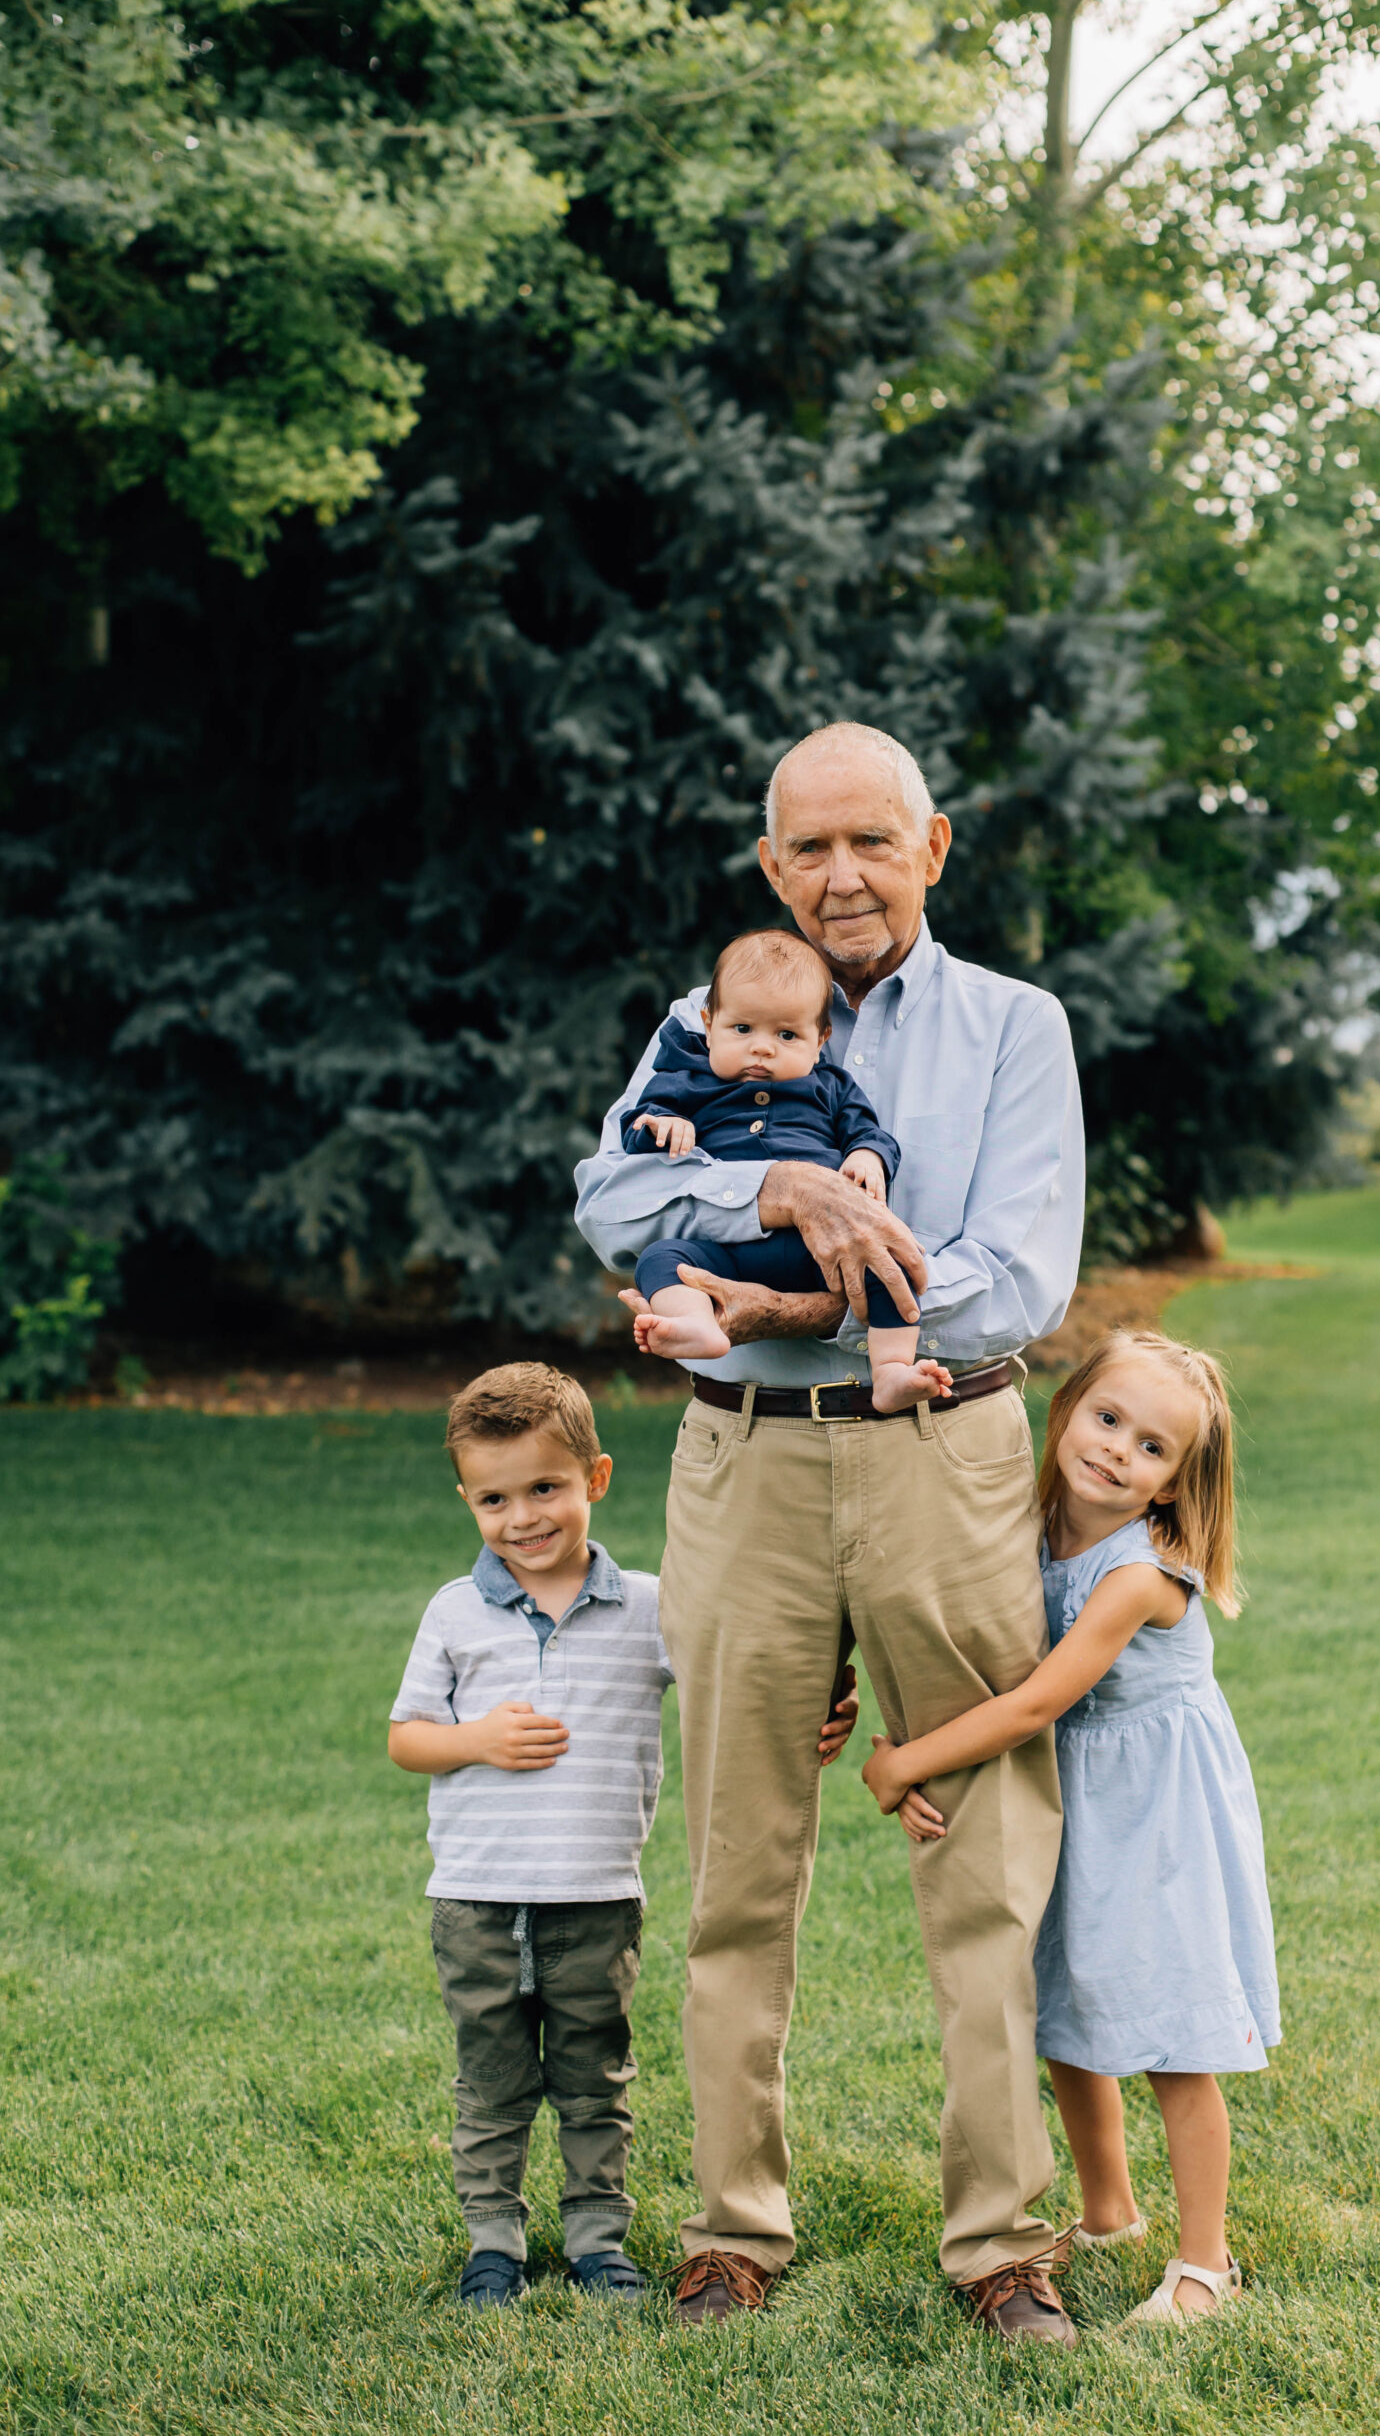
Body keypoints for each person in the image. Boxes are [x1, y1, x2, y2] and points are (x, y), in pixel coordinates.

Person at [573, 722, 1085, 2341]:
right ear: (770, 862)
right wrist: (781, 1197)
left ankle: (1004, 2246)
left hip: (947, 1455)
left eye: (874, 840)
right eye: (810, 848)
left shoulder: (1018, 1025)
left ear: (934, 847)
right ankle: (733, 2227)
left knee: (987, 1859)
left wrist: (781, 1283)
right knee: (737, 1853)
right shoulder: (702, 1018)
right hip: (743, 1466)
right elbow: (609, 1201)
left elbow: (1019, 1274)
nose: (842, 875)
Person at [387, 1359, 863, 2308]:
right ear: (467, 1500)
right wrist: (477, 1740)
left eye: (546, 1489)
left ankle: (598, 2237)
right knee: (491, 2082)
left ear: (595, 1479)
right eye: (495, 1498)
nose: (523, 1517)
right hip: (476, 1898)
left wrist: (814, 1712)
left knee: (593, 2077)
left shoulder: (648, 1605)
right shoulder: (455, 1612)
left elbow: (727, 1680)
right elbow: (406, 1739)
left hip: (597, 1898)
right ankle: (496, 2243)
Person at [863, 1329, 1280, 2329]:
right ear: (1062, 1415)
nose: (1114, 1452)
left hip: (1156, 1807)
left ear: (1171, 1488)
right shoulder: (1031, 1518)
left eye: (1149, 1449)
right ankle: (1106, 2211)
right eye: (1104, 1420)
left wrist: (902, 1763)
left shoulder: (1139, 1575)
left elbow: (1029, 1705)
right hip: (1074, 1797)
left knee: (1173, 2035)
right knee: (1067, 2005)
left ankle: (1203, 2265)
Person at [621, 925, 951, 1414]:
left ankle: (891, 1371)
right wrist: (663, 1124)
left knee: (889, 1260)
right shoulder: (686, 1080)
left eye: (786, 1035)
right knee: (661, 1259)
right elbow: (635, 1133)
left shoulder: (830, 1086)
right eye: (742, 1029)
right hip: (727, 1253)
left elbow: (869, 1132)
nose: (762, 1048)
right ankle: (697, 1324)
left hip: (822, 1253)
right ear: (708, 1024)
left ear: (821, 1040)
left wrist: (867, 1156)